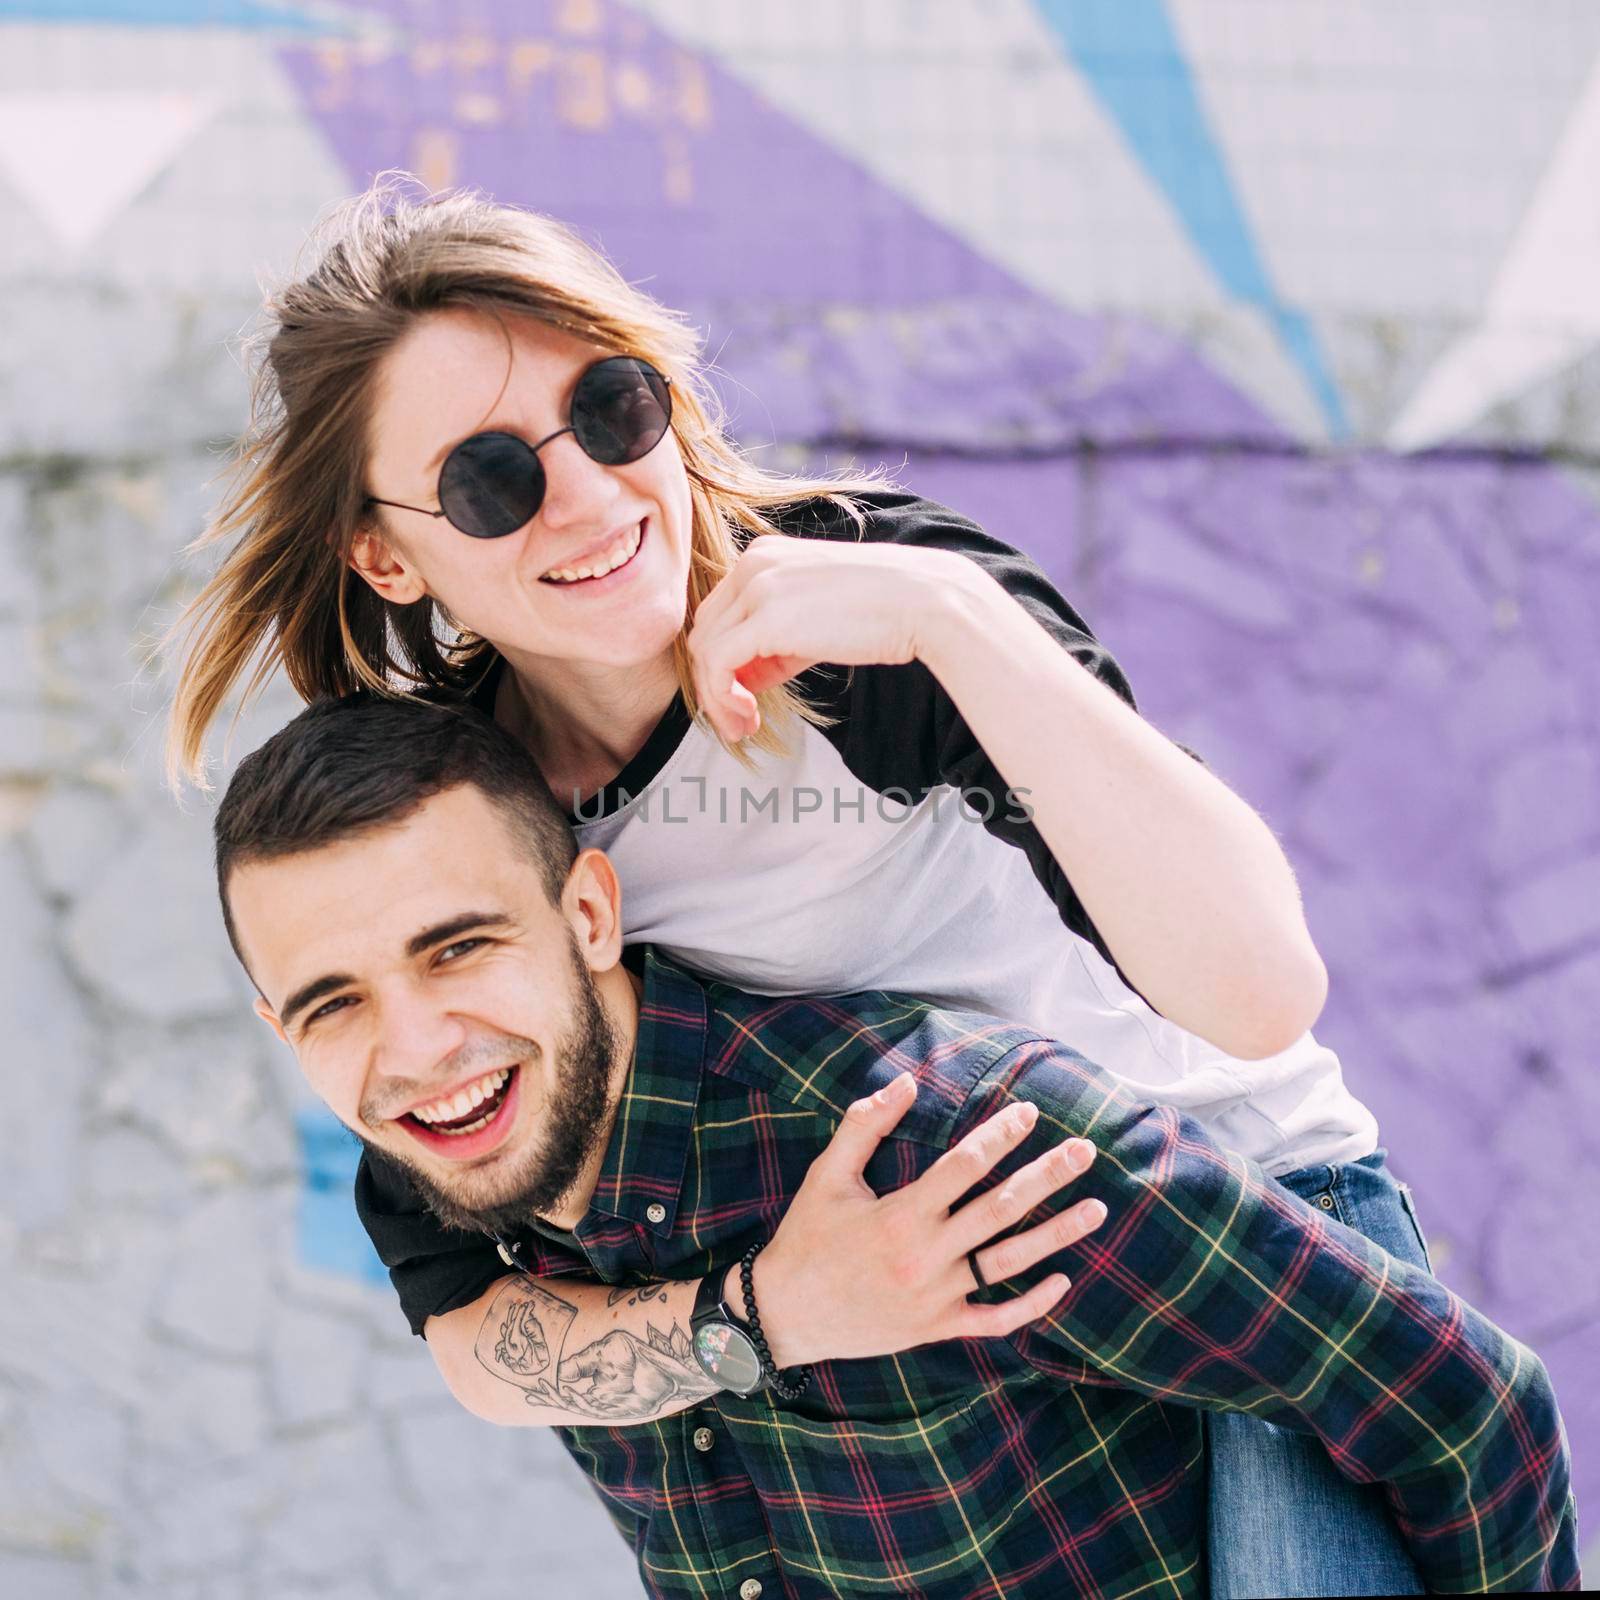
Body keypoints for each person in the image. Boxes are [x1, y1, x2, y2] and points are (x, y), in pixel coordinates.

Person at [173, 177, 1426, 1594]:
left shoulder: (870, 621)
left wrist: (949, 621)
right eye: (491, 479)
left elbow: (1258, 997)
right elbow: (472, 1328)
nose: (586, 497)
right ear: (387, 552)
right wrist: (769, 1314)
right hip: (961, 1347)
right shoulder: (467, 832)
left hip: (1246, 1232)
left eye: (611, 410)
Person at [212, 694, 1579, 1600]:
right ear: (282, 1030)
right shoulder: (491, 1198)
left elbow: (1468, 1411)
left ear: (586, 916)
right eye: (335, 1004)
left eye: (460, 948)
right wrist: (767, 1316)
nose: (418, 1046)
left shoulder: (929, 1139)